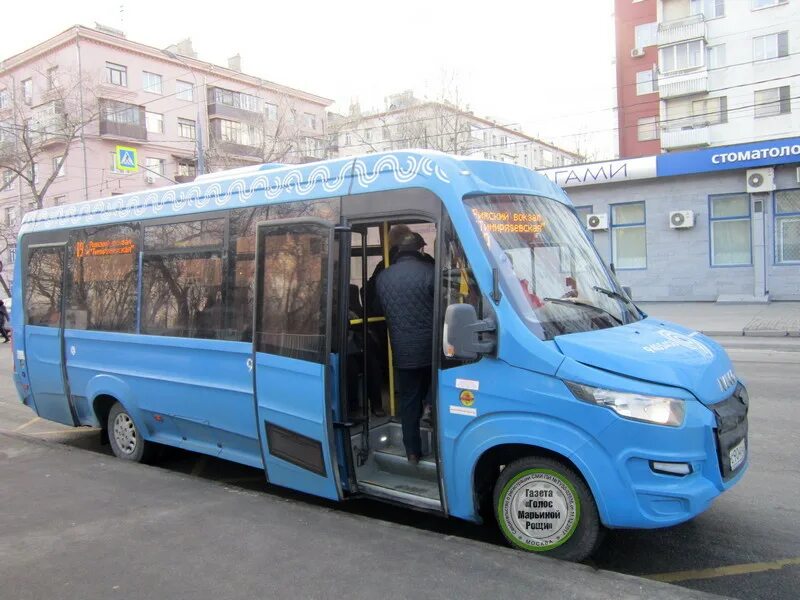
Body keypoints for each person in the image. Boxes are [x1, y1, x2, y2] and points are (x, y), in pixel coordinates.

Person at [376, 231, 435, 465]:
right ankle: (440, 447)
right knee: (438, 392)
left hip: (402, 351)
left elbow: (376, 308)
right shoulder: (430, 273)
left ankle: (412, 452)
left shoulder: (383, 277)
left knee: (409, 401)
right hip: (431, 350)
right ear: (420, 250)